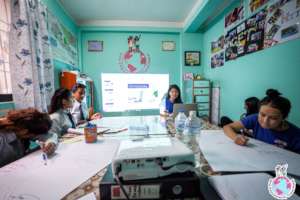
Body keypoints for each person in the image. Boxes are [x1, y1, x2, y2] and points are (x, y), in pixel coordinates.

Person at [223, 89, 300, 154]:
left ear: (284, 117)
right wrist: (236, 137)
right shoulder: (255, 118)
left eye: (273, 118)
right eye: (262, 115)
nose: (265, 121)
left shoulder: (296, 135)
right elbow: (228, 127)